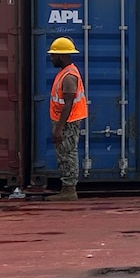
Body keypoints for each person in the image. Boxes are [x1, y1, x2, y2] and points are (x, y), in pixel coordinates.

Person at [48, 36, 86, 200]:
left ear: (62, 56)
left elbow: (68, 104)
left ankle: (69, 190)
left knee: (67, 154)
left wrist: (59, 128)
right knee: (65, 153)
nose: (51, 58)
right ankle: (67, 189)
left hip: (68, 122)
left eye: (54, 55)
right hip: (66, 122)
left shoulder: (69, 76)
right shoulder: (65, 73)